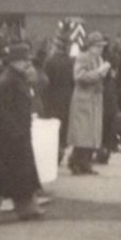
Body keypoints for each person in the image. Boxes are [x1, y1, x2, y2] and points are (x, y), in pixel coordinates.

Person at [0, 43, 44, 225]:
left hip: (14, 133)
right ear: (13, 61)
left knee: (16, 174)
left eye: (26, 60)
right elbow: (2, 111)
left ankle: (26, 209)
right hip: (9, 136)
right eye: (22, 60)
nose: (26, 63)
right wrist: (16, 132)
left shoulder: (12, 78)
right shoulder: (8, 81)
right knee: (3, 175)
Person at [66, 34, 108, 174]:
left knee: (91, 134)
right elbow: (79, 76)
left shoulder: (99, 59)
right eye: (98, 46)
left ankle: (85, 163)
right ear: (90, 46)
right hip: (83, 99)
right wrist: (99, 73)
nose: (101, 49)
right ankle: (75, 162)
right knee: (82, 134)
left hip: (94, 100)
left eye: (102, 46)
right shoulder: (83, 57)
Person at [41, 37, 75, 165]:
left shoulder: (49, 61)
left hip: (52, 97)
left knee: (53, 125)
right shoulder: (70, 62)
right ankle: (61, 150)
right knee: (64, 125)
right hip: (67, 97)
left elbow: (46, 80)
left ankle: (55, 153)